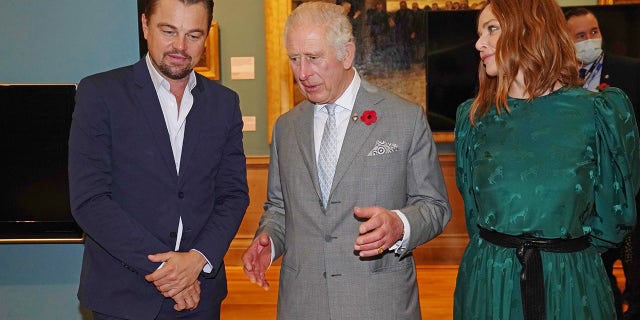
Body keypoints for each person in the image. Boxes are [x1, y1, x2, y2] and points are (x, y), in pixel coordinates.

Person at [241, 2, 451, 319]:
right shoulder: (286, 128)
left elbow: (435, 206)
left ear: (347, 54)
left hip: (378, 303)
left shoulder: (404, 119)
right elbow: (280, 208)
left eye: (313, 58)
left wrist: (399, 224)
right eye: (294, 59)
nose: (302, 72)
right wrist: (268, 241)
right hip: (303, 304)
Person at [453, 0, 640, 319]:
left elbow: (615, 214)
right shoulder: (475, 119)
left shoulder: (597, 113)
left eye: (492, 29)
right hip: (491, 284)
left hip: (570, 283)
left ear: (530, 31)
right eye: (480, 31)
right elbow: (475, 213)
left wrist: (564, 254)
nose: (479, 43)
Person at [68, 0, 249, 318]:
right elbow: (90, 199)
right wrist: (170, 271)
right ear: (145, 25)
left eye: (194, 35)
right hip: (122, 297)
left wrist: (196, 260)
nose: (180, 46)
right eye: (169, 31)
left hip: (200, 296)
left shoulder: (225, 104)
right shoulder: (100, 94)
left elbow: (233, 195)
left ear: (206, 36)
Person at [565, 8, 640, 320]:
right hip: (586, 201)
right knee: (598, 276)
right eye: (580, 36)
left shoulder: (631, 72)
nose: (589, 40)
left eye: (593, 32)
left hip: (631, 194)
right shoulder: (559, 80)